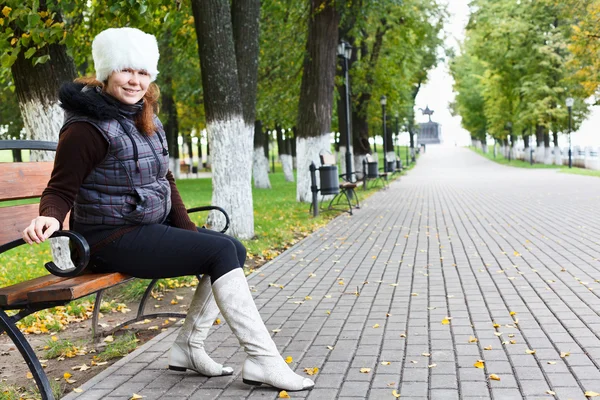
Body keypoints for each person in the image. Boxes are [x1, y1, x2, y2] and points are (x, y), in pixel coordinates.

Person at [21, 27, 314, 392]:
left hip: (143, 226)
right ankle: (263, 359)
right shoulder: (85, 128)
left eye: (143, 72)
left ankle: (189, 348)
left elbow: (165, 179)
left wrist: (187, 232)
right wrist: (48, 215)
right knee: (221, 250)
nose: (135, 81)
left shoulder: (145, 115)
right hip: (106, 238)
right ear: (106, 72)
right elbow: (61, 188)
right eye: (126, 70)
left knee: (231, 248)